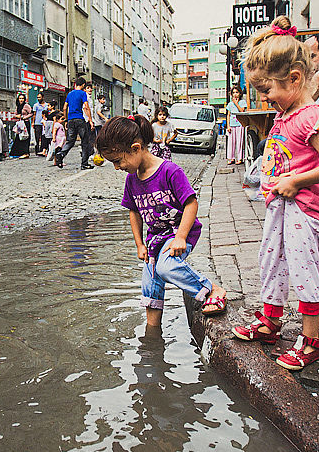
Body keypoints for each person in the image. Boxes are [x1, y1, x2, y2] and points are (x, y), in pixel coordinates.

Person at [230, 16, 319, 372]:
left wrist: (297, 181)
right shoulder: (284, 115)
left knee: (302, 267)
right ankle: (270, 320)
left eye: (267, 90)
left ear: (295, 79)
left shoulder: (310, 116)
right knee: (271, 260)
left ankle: (312, 339)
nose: (264, 99)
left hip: (304, 208)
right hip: (280, 206)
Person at [96, 114, 227, 326]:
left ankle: (210, 289)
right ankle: (152, 339)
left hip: (179, 232)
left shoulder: (169, 171)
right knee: (149, 287)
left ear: (136, 148)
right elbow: (134, 212)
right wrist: (139, 244)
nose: (117, 167)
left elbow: (191, 203)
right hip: (155, 239)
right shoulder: (132, 180)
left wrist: (181, 237)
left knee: (166, 267)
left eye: (118, 161)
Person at [55, 77, 93, 169]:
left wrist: (66, 120)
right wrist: (90, 120)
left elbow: (64, 108)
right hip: (80, 120)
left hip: (71, 120)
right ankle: (84, 164)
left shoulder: (69, 94)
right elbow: (86, 107)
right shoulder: (83, 93)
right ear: (83, 85)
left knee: (70, 141)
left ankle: (61, 154)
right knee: (84, 142)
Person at [225, 86, 246, 165]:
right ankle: (231, 158)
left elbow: (242, 111)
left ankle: (240, 157)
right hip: (232, 125)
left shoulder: (242, 102)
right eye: (233, 92)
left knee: (239, 141)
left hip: (240, 124)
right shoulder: (230, 104)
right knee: (231, 142)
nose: (235, 94)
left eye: (236, 92)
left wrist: (236, 103)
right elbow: (228, 115)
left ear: (240, 93)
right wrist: (228, 126)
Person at [9, 92, 32, 158]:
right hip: (19, 123)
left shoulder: (26, 106)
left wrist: (24, 117)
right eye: (20, 98)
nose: (21, 100)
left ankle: (26, 153)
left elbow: (31, 113)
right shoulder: (18, 106)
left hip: (25, 123)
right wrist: (16, 116)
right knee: (19, 138)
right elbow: (15, 114)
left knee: (25, 137)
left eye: (22, 98)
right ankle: (17, 152)